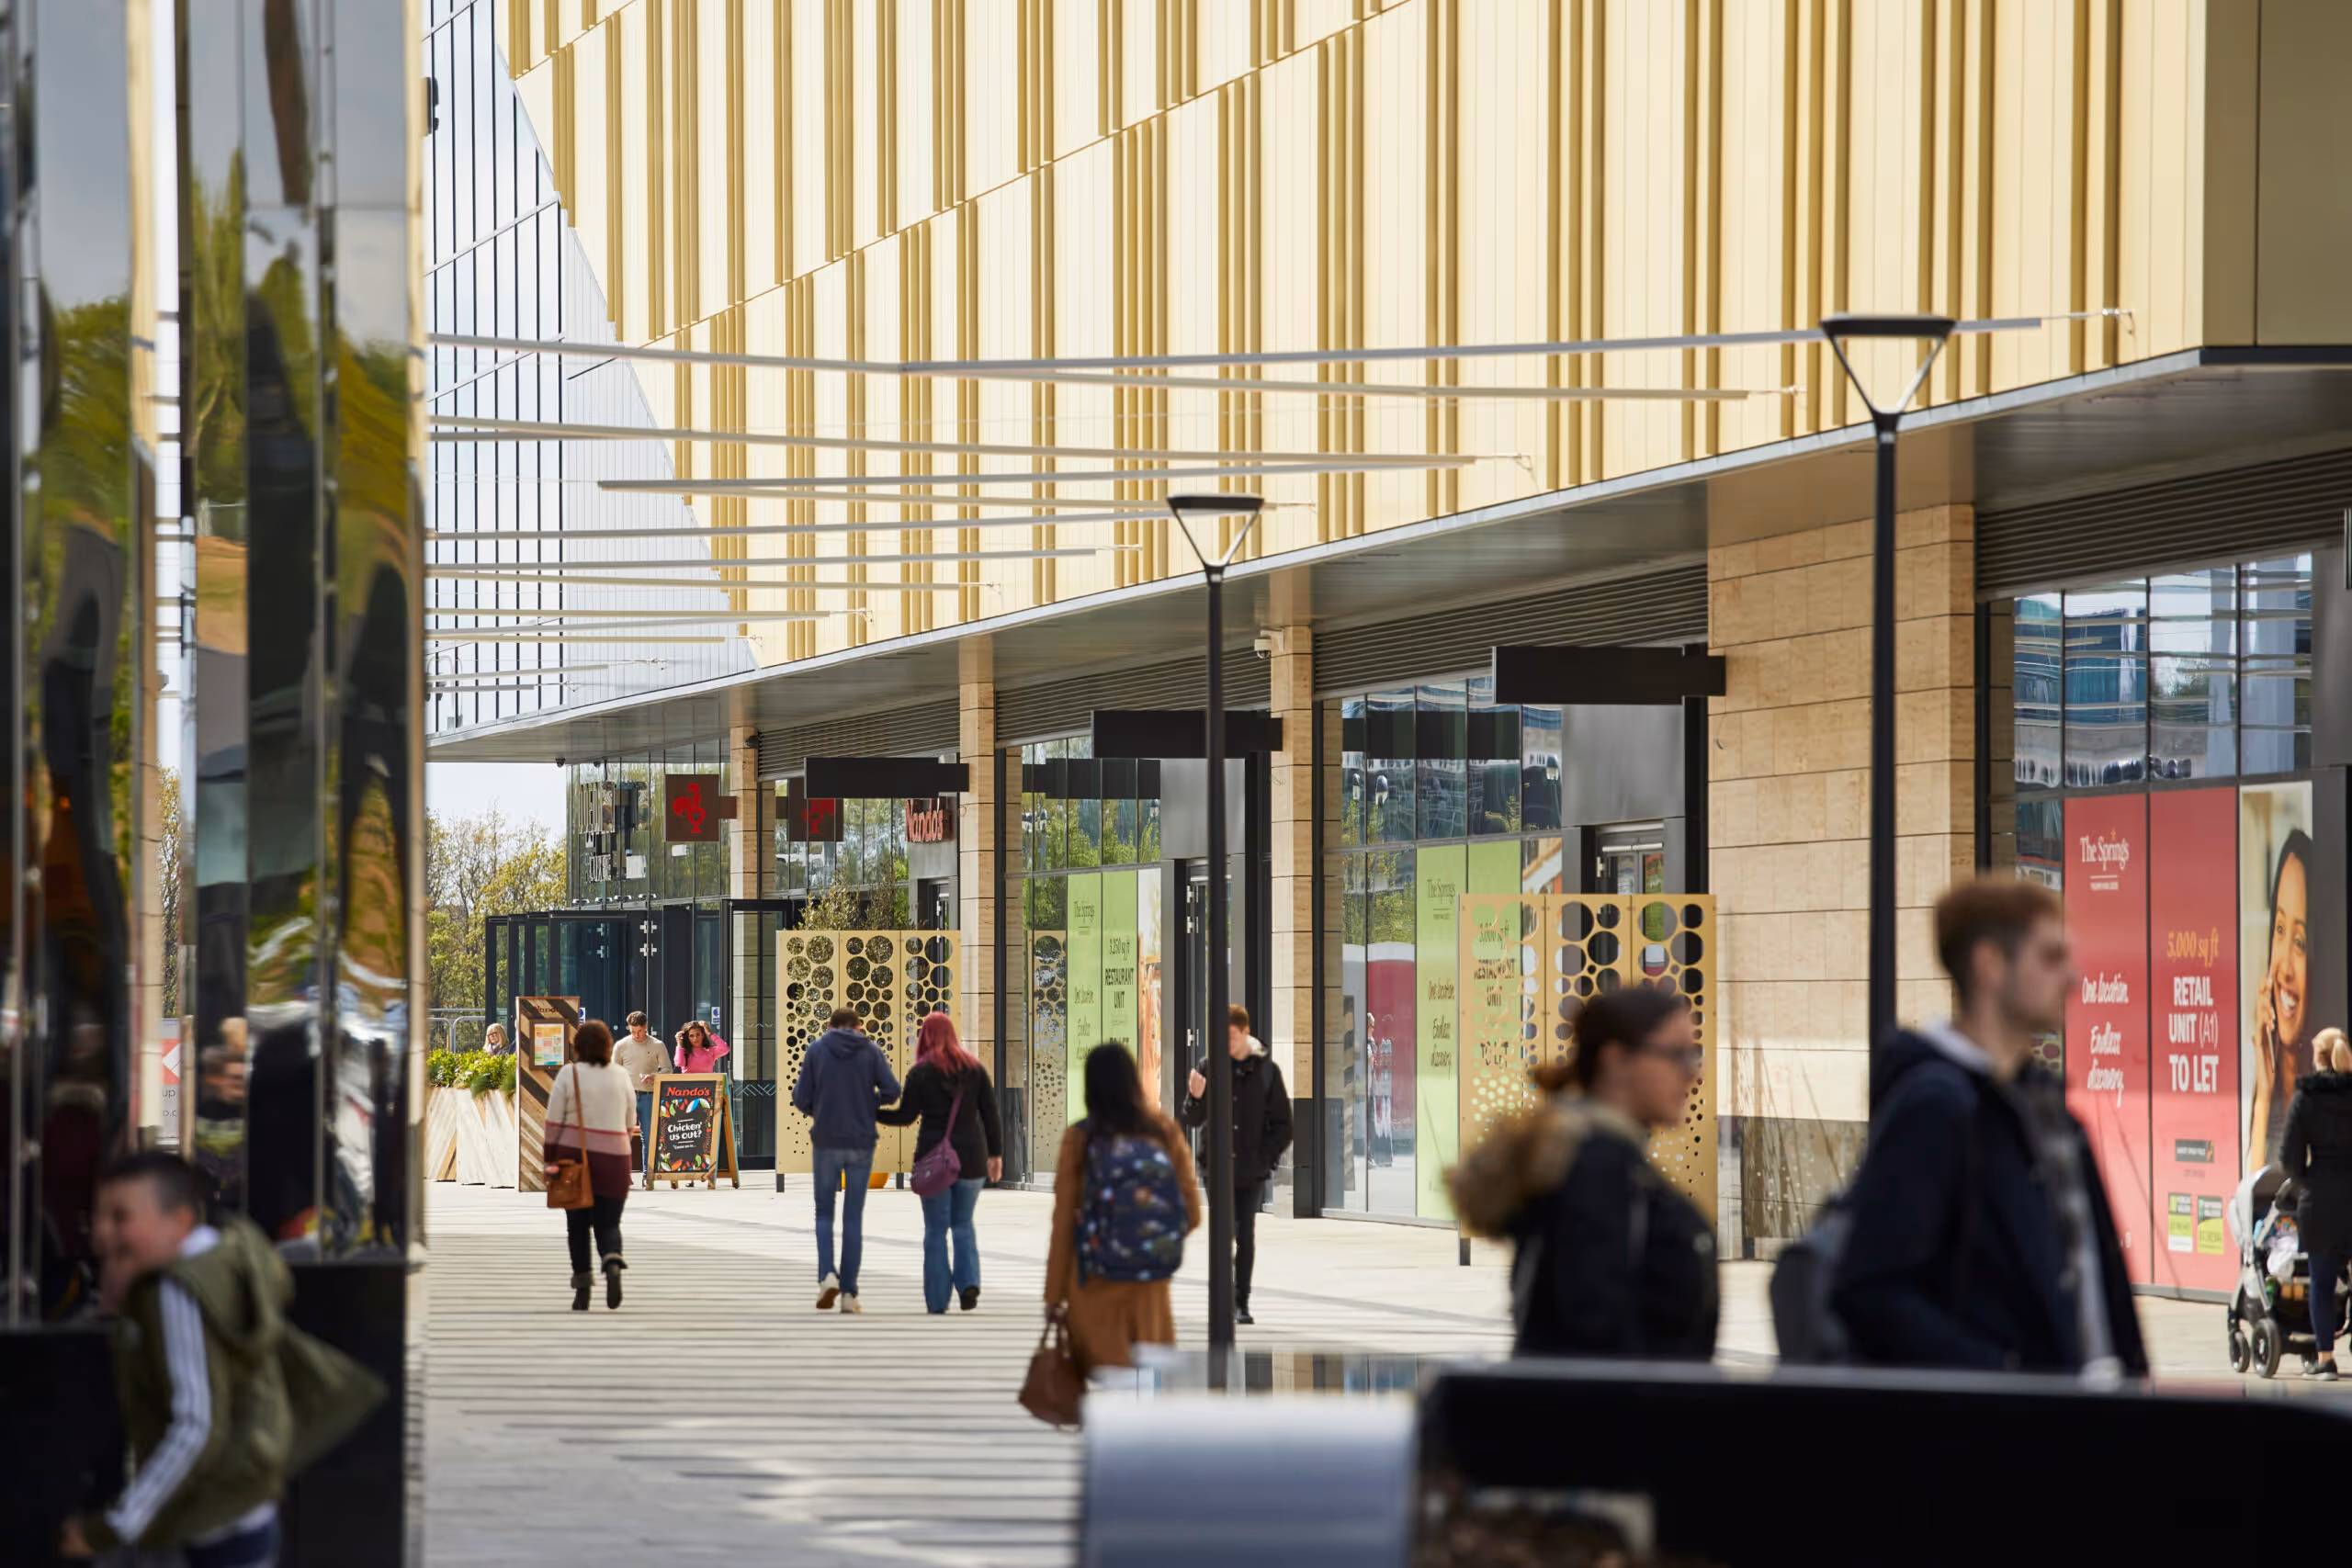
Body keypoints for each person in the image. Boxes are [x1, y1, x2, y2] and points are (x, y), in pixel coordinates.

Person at [1831, 877, 2149, 1378]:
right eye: (2050, 957)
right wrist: (2003, 1377)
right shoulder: (1935, 1108)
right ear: (1989, 966)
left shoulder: (2049, 1111)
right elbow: (1870, 1290)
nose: (2074, 977)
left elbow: (2097, 1291)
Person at [63, 1152, 382, 1566]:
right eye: (101, 1215)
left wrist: (115, 1526)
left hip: (211, 1527)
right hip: (244, 1513)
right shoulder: (225, 1255)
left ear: (178, 1220)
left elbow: (195, 1426)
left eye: (122, 1217)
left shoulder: (179, 1290)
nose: (103, 1232)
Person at [1448, 987, 1718, 1359]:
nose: (1693, 1073)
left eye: (1695, 1054)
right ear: (1616, 1060)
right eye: (1677, 1055)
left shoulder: (1597, 1161)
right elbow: (1593, 1344)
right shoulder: (1594, 1171)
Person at [1044, 1043, 1203, 1373]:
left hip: (1094, 1286)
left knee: (1106, 1399)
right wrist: (1145, 1238)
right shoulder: (1163, 1132)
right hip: (1151, 1293)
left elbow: (1063, 1225)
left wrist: (1053, 1294)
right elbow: (1192, 1212)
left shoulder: (1080, 1139)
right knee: (1150, 1394)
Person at [877, 1012, 1005, 1313]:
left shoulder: (920, 1074)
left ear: (924, 1037)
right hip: (972, 1159)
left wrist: (872, 1111)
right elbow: (990, 1116)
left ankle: (937, 1300)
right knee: (963, 1224)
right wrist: (995, 1156)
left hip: (934, 1160)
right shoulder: (975, 1070)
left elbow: (905, 1117)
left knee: (935, 1229)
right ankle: (969, 1283)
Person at [1179, 1003, 1294, 1325]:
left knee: (1245, 1234)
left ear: (1246, 1032)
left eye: (1230, 1036)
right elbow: (1191, 1118)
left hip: (1251, 1170)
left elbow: (1284, 1125)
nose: (1225, 1044)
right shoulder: (1208, 1065)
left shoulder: (1267, 1070)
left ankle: (1241, 1302)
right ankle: (1223, 1297)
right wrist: (1195, 1097)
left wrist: (1264, 1158)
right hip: (1216, 1168)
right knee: (1223, 1233)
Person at [791, 1006, 901, 1314]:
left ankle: (827, 1275)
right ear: (858, 1025)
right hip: (861, 1141)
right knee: (853, 1217)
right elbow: (892, 1091)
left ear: (829, 1025)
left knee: (824, 1213)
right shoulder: (870, 1051)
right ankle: (850, 1294)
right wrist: (867, 1105)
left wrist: (821, 1109)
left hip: (826, 1139)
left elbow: (800, 1097)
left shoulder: (816, 1050)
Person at [545, 1020, 639, 1312]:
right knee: (609, 1222)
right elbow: (630, 1121)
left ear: (577, 1047)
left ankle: (582, 1290)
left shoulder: (568, 1074)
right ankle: (612, 1257)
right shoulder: (621, 1075)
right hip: (615, 1159)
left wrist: (549, 1157)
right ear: (608, 1046)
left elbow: (553, 1121)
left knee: (577, 1226)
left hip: (575, 1158)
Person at [2278, 1031, 2352, 1380]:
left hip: (2320, 1201)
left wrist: (2309, 1181)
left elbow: (2289, 1158)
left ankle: (2325, 1359)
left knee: (2321, 1282)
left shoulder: (2306, 1097)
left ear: (2318, 1058)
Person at [2249, 831, 2318, 1163]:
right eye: (2280, 930)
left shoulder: (2325, 1098)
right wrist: (2264, 1092)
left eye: (2301, 942)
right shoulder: (2269, 1090)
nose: (2285, 968)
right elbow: (2250, 1203)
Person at [613, 1010, 669, 1170]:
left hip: (648, 1096)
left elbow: (668, 1069)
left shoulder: (657, 1045)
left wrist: (654, 1076)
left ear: (646, 1027)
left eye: (639, 1031)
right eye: (632, 1031)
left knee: (649, 1138)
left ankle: (647, 1175)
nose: (636, 1035)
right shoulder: (621, 1045)